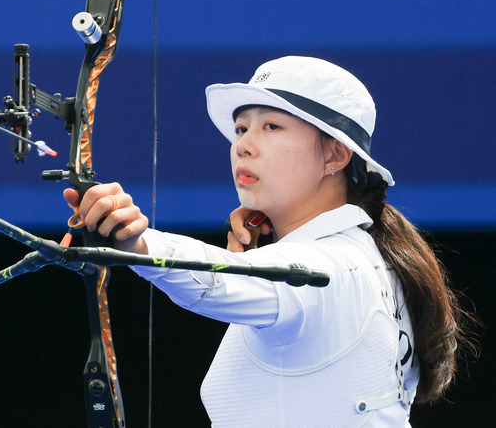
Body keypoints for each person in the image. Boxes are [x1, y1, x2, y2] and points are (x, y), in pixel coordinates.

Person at [64, 56, 472, 426]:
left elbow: (220, 281)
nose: (243, 144)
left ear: (335, 154)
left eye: (271, 126)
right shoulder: (369, 252)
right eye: (241, 128)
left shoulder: (333, 265)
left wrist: (138, 244)